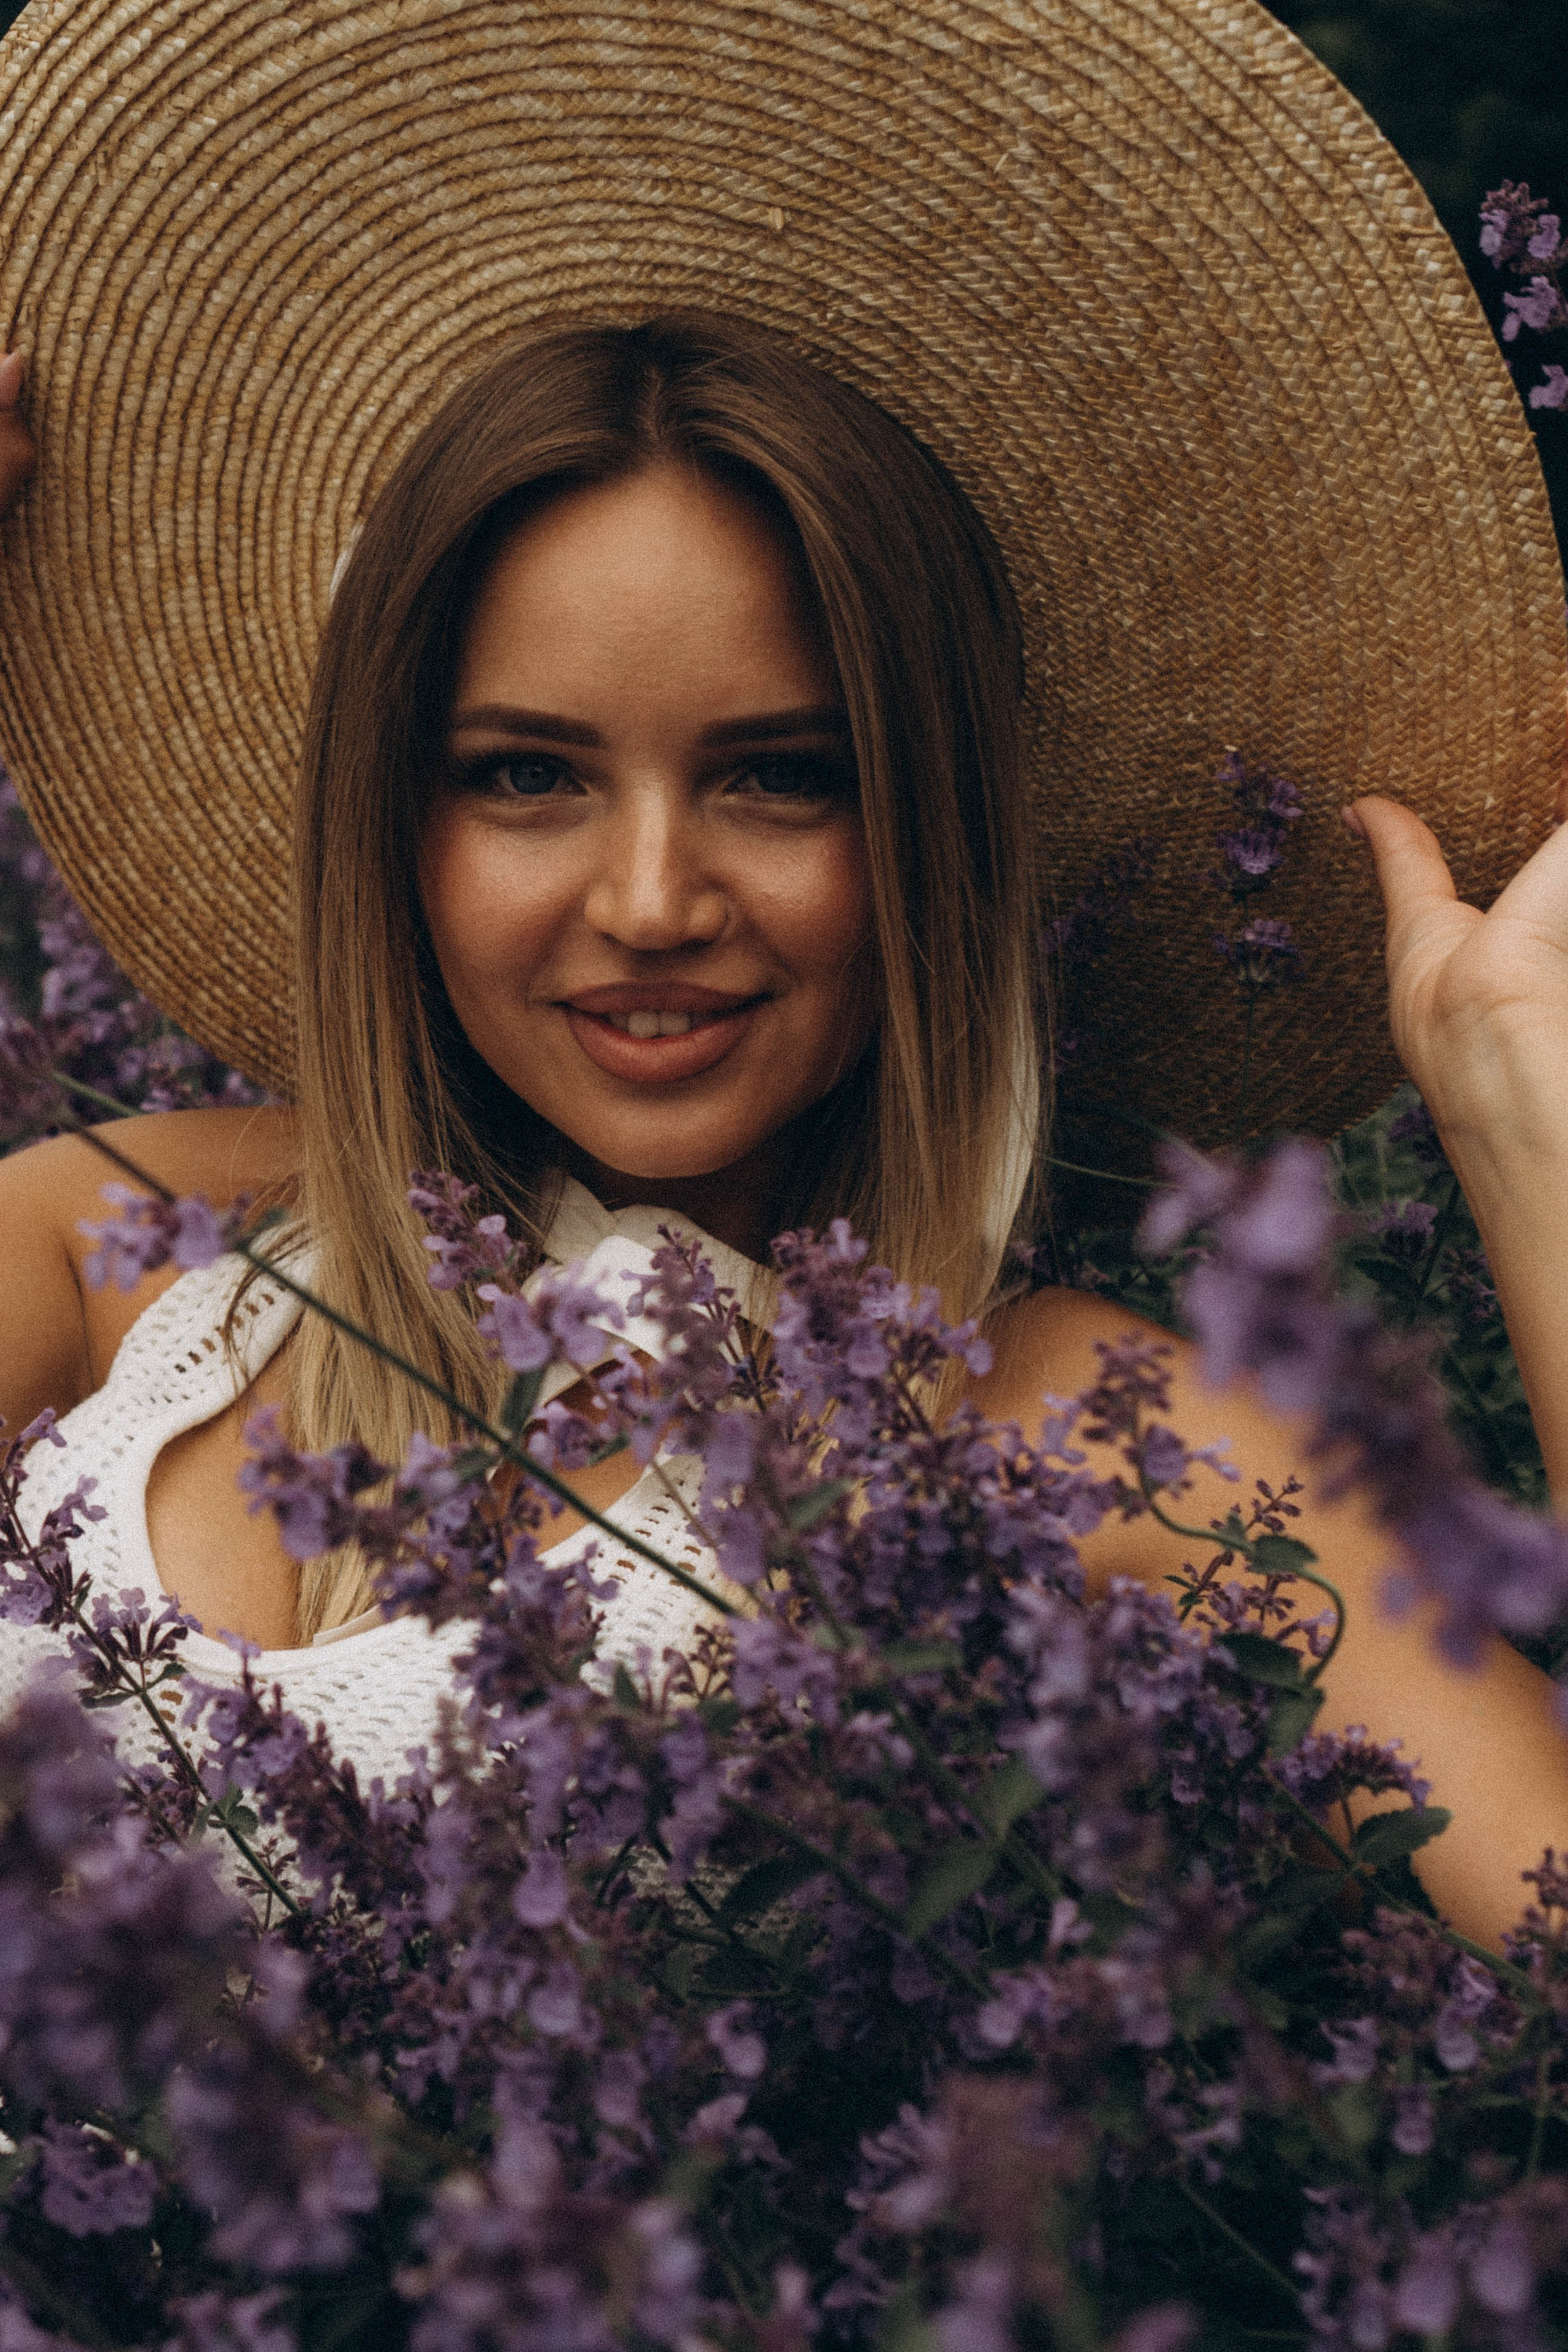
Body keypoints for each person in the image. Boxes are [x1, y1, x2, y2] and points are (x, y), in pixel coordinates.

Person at [0, 0, 1562, 1951]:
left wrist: (1533, 1141)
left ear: (928, 818)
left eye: (782, 776)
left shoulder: (1078, 1434)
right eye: (529, 775)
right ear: (393, 824)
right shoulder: (124, 1237)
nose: (654, 899)